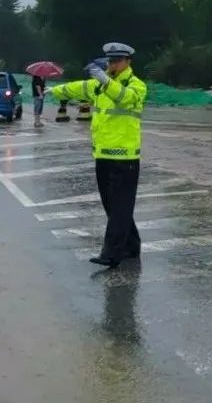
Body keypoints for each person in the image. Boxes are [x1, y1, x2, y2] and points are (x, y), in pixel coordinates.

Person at [49, 42, 147, 268]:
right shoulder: (99, 86)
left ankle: (112, 253)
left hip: (125, 158)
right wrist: (54, 91)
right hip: (102, 155)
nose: (113, 64)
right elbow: (78, 87)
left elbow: (124, 98)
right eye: (110, 61)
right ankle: (132, 246)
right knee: (112, 206)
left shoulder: (136, 85)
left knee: (121, 208)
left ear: (128, 62)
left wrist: (105, 81)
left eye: (117, 61)